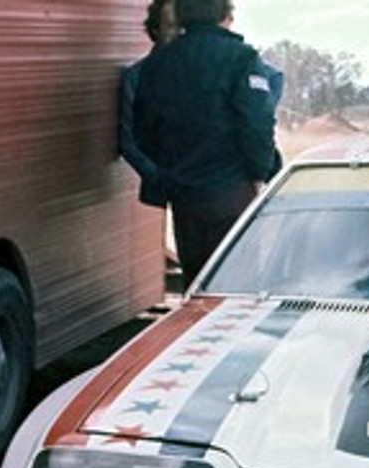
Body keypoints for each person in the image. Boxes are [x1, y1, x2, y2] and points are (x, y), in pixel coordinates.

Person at [134, 0, 278, 285]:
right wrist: (260, 172)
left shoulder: (157, 63)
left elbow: (143, 129)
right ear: (223, 15)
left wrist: (170, 172)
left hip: (184, 196)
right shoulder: (241, 58)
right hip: (231, 192)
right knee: (236, 285)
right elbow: (256, 124)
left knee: (196, 283)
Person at [117, 0, 180, 207]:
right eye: (171, 26)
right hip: (165, 184)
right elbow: (127, 141)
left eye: (182, 25)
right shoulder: (135, 77)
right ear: (155, 30)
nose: (179, 33)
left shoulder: (205, 73)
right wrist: (162, 179)